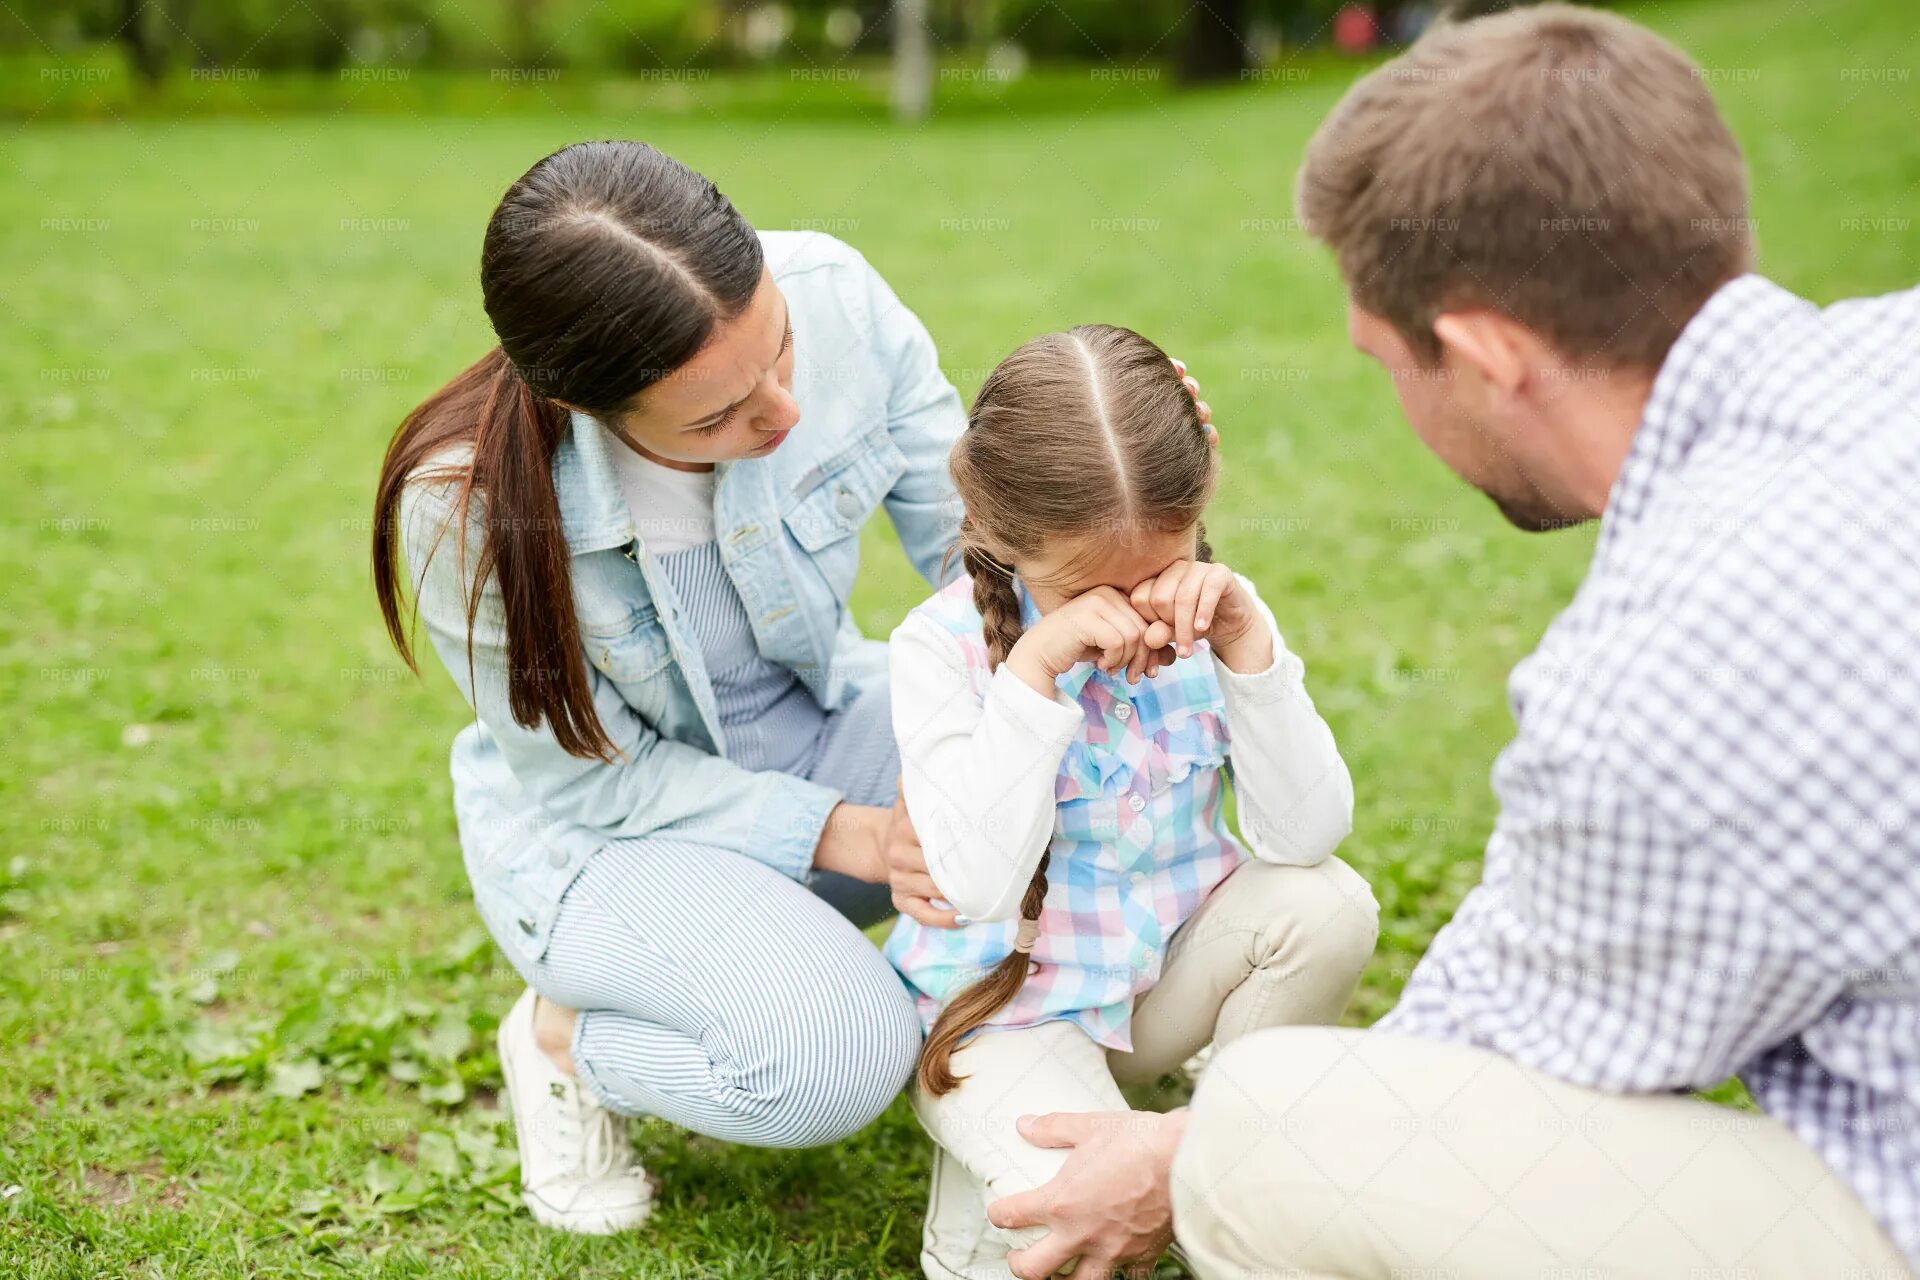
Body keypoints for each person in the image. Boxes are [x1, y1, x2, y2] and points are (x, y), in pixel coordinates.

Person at [984, 7, 1920, 1278]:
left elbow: (1500, 1063)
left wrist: (1183, 1159)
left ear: (1486, 357)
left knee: (1265, 1140)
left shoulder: (1664, 670)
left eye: (1386, 363)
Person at [371, 139, 969, 1233]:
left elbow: (990, 559)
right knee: (838, 1058)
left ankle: (1064, 1032)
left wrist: (1122, 472)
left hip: (820, 725)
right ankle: (564, 1039)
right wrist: (854, 832)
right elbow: (592, 785)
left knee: (1082, 721)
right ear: (584, 402)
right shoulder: (462, 504)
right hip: (609, 841)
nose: (784, 412)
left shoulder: (835, 287)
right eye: (715, 420)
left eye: (782, 349)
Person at [882, 325, 1379, 1279]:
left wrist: (1251, 654)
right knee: (1075, 1235)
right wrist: (1032, 676)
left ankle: (1228, 1130)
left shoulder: (1213, 617)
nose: (1132, 611)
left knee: (1329, 904)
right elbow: (979, 887)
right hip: (1003, 1016)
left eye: (1156, 567)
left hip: (1153, 991)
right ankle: (990, 1182)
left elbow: (1305, 834)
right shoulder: (938, 649)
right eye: (1081, 587)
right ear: (992, 533)